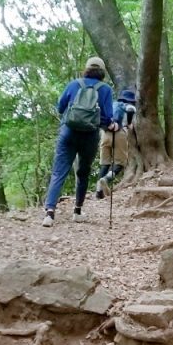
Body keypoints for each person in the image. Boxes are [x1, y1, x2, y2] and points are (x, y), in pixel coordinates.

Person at [42, 57, 117, 227]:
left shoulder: (74, 84)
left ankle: (50, 213)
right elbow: (107, 117)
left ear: (87, 69)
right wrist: (112, 125)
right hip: (90, 136)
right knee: (83, 173)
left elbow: (60, 107)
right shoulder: (105, 89)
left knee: (59, 172)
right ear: (102, 71)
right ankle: (77, 211)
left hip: (68, 133)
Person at [96, 87, 135, 199]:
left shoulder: (111, 105)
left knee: (105, 163)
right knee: (120, 163)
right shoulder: (126, 105)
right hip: (119, 134)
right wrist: (129, 123)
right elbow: (131, 109)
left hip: (105, 134)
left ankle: (99, 191)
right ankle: (106, 179)